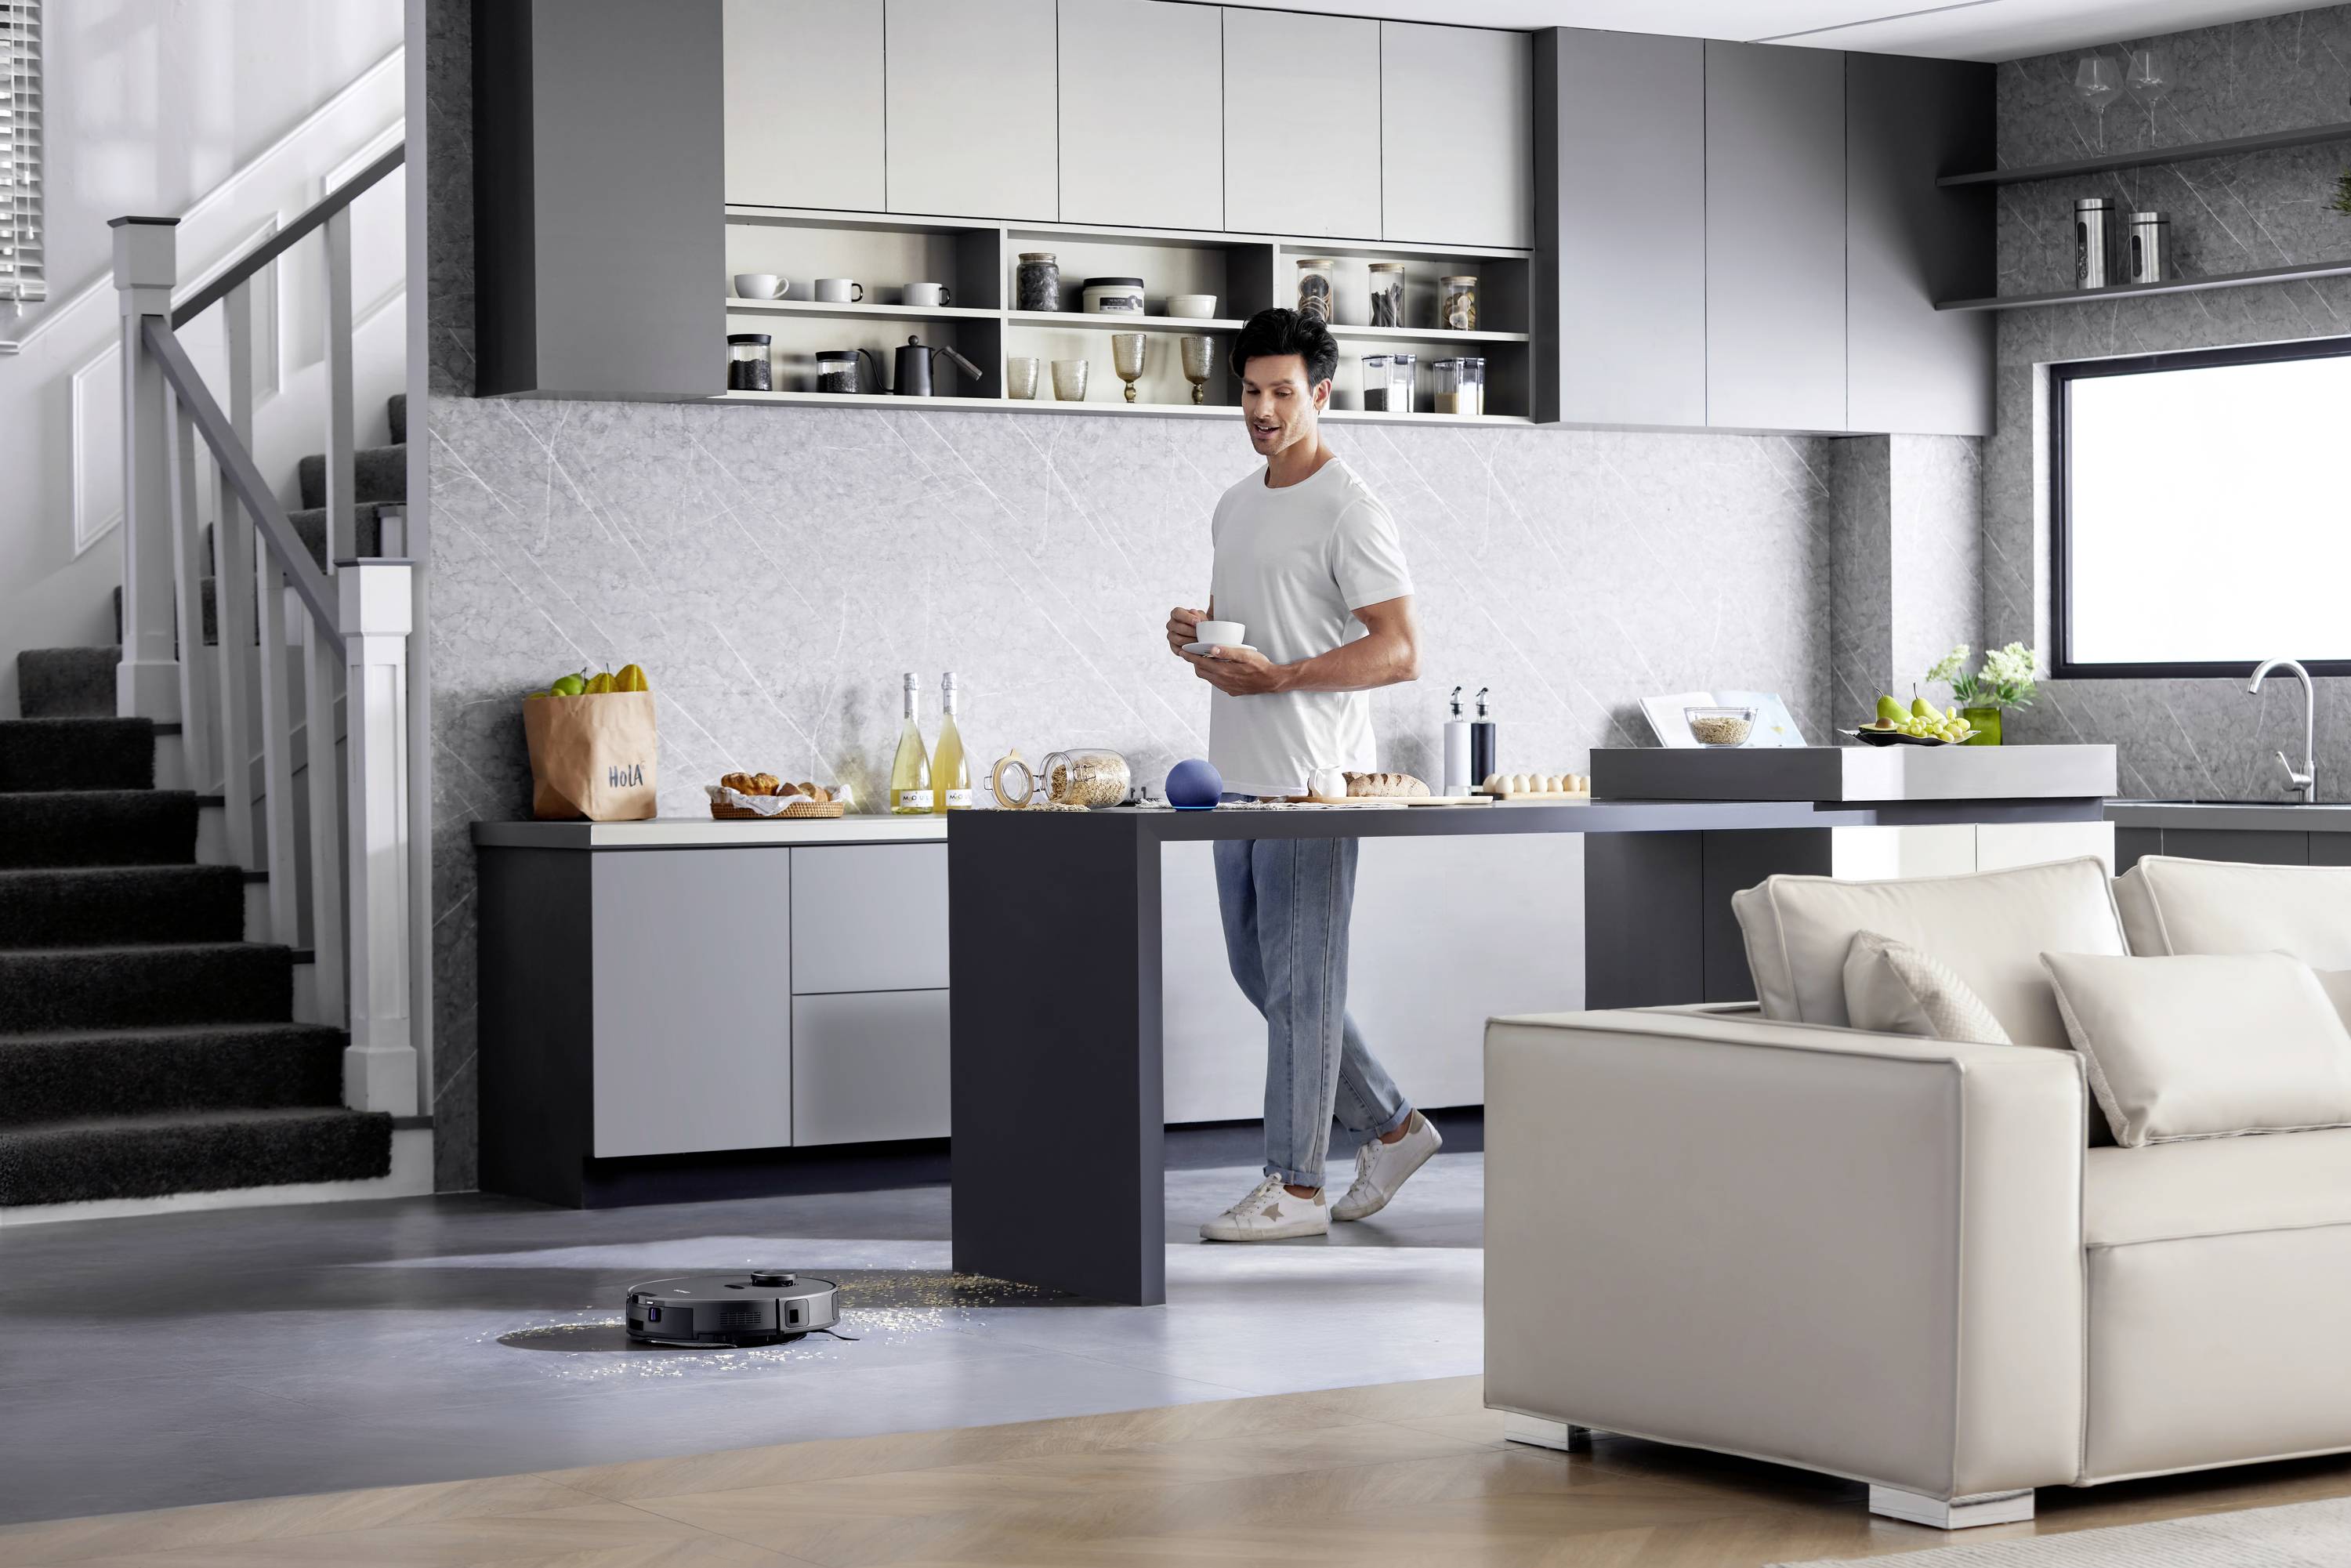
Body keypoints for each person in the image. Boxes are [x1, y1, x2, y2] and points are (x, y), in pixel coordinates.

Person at [1165, 308, 1442, 1243]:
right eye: (1250, 391)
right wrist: (1198, 639)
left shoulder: (1351, 507)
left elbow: (1399, 651)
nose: (1264, 409)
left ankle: (1295, 1187)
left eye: (1284, 392)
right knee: (1266, 975)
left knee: (1303, 983)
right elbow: (1257, 624)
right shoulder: (1235, 502)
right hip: (1237, 773)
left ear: (1321, 394)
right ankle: (1396, 1129)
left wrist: (1281, 677)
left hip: (1313, 779)